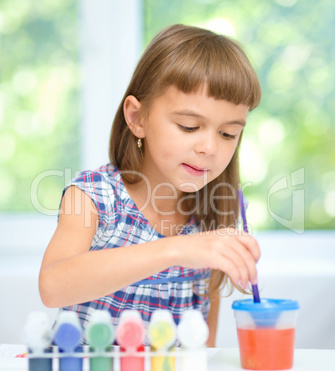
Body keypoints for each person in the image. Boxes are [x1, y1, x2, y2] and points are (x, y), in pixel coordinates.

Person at [39, 24, 261, 347]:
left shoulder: (209, 222)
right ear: (137, 118)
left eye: (228, 133)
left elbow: (204, 346)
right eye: (189, 126)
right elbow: (52, 285)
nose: (210, 148)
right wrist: (175, 250)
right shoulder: (95, 197)